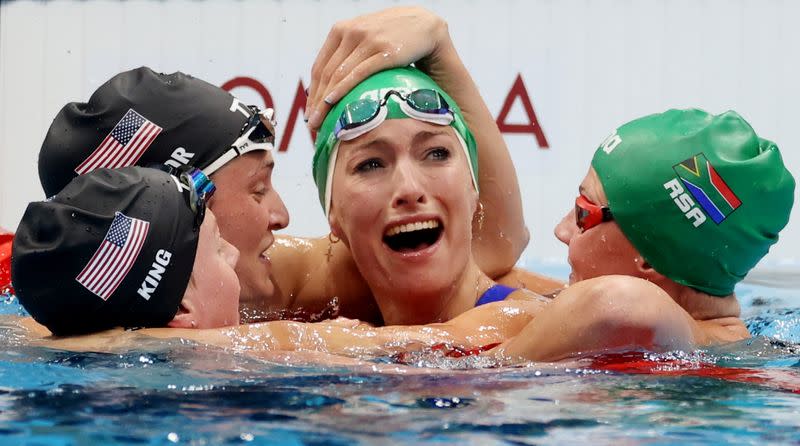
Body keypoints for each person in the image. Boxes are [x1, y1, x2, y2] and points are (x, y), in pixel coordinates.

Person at [494, 108, 795, 359]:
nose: (561, 230)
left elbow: (619, 302)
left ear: (650, 259)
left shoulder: (625, 309)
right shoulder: (714, 342)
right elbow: (498, 274)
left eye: (584, 212)